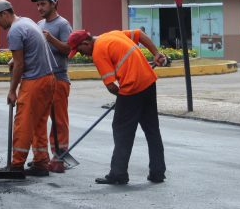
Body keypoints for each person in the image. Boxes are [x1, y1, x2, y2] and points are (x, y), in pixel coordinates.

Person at [67, 28, 168, 185]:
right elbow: (140, 35)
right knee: (152, 129)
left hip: (132, 88)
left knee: (121, 130)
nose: (82, 54)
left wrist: (124, 100)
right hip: (148, 82)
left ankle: (118, 174)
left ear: (86, 43)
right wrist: (156, 53)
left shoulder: (98, 52)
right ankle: (158, 173)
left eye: (80, 50)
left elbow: (112, 87)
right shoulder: (111, 34)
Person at [0, 0, 56, 177]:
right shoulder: (27, 22)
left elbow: (19, 65)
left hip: (34, 82)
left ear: (4, 14)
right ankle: (41, 162)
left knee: (23, 123)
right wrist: (15, 60)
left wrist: (12, 91)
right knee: (39, 122)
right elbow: (31, 50)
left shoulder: (15, 31)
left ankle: (16, 165)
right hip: (48, 79)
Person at [31, 0, 72, 173]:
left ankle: (59, 158)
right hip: (42, 78)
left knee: (59, 121)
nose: (39, 8)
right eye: (38, 4)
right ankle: (41, 157)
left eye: (43, 4)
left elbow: (69, 50)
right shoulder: (39, 24)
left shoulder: (63, 24)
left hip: (59, 78)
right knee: (39, 119)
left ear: (54, 4)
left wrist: (51, 39)